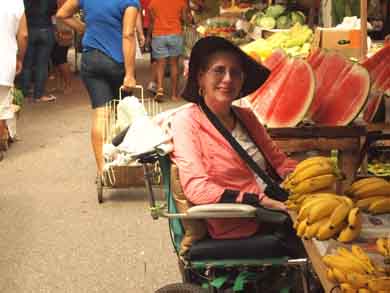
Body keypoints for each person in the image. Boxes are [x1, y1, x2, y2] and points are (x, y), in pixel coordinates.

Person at [170, 36, 304, 257]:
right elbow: (197, 188)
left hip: (276, 204)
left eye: (236, 73)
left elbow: (279, 161)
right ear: (201, 77)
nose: (228, 79)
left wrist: (307, 179)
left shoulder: (246, 117)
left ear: (242, 82)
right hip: (243, 220)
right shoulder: (187, 121)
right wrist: (259, 200)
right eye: (219, 70)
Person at [57, 0, 140, 176]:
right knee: (124, 113)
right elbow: (128, 35)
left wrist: (83, 28)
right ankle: (125, 162)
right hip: (116, 61)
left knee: (101, 114)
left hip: (91, 59)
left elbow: (62, 14)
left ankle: (103, 170)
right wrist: (130, 74)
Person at [0, 1, 28, 161]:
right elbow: (23, 35)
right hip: (5, 61)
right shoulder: (16, 2)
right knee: (2, 105)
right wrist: (20, 58)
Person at [147, 0, 189, 101]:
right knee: (174, 64)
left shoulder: (153, 2)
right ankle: (174, 95)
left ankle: (160, 89)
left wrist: (148, 36)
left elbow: (152, 22)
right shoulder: (181, 2)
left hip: (158, 34)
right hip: (175, 34)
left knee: (160, 64)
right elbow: (184, 19)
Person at [21, 0, 58, 103]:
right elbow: (54, 11)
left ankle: (24, 93)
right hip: (46, 29)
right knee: (42, 65)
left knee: (26, 64)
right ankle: (39, 95)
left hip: (29, 30)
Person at [51, 0, 74, 94]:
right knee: (55, 60)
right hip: (55, 32)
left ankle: (68, 85)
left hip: (63, 32)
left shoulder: (64, 4)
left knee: (61, 59)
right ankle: (59, 85)